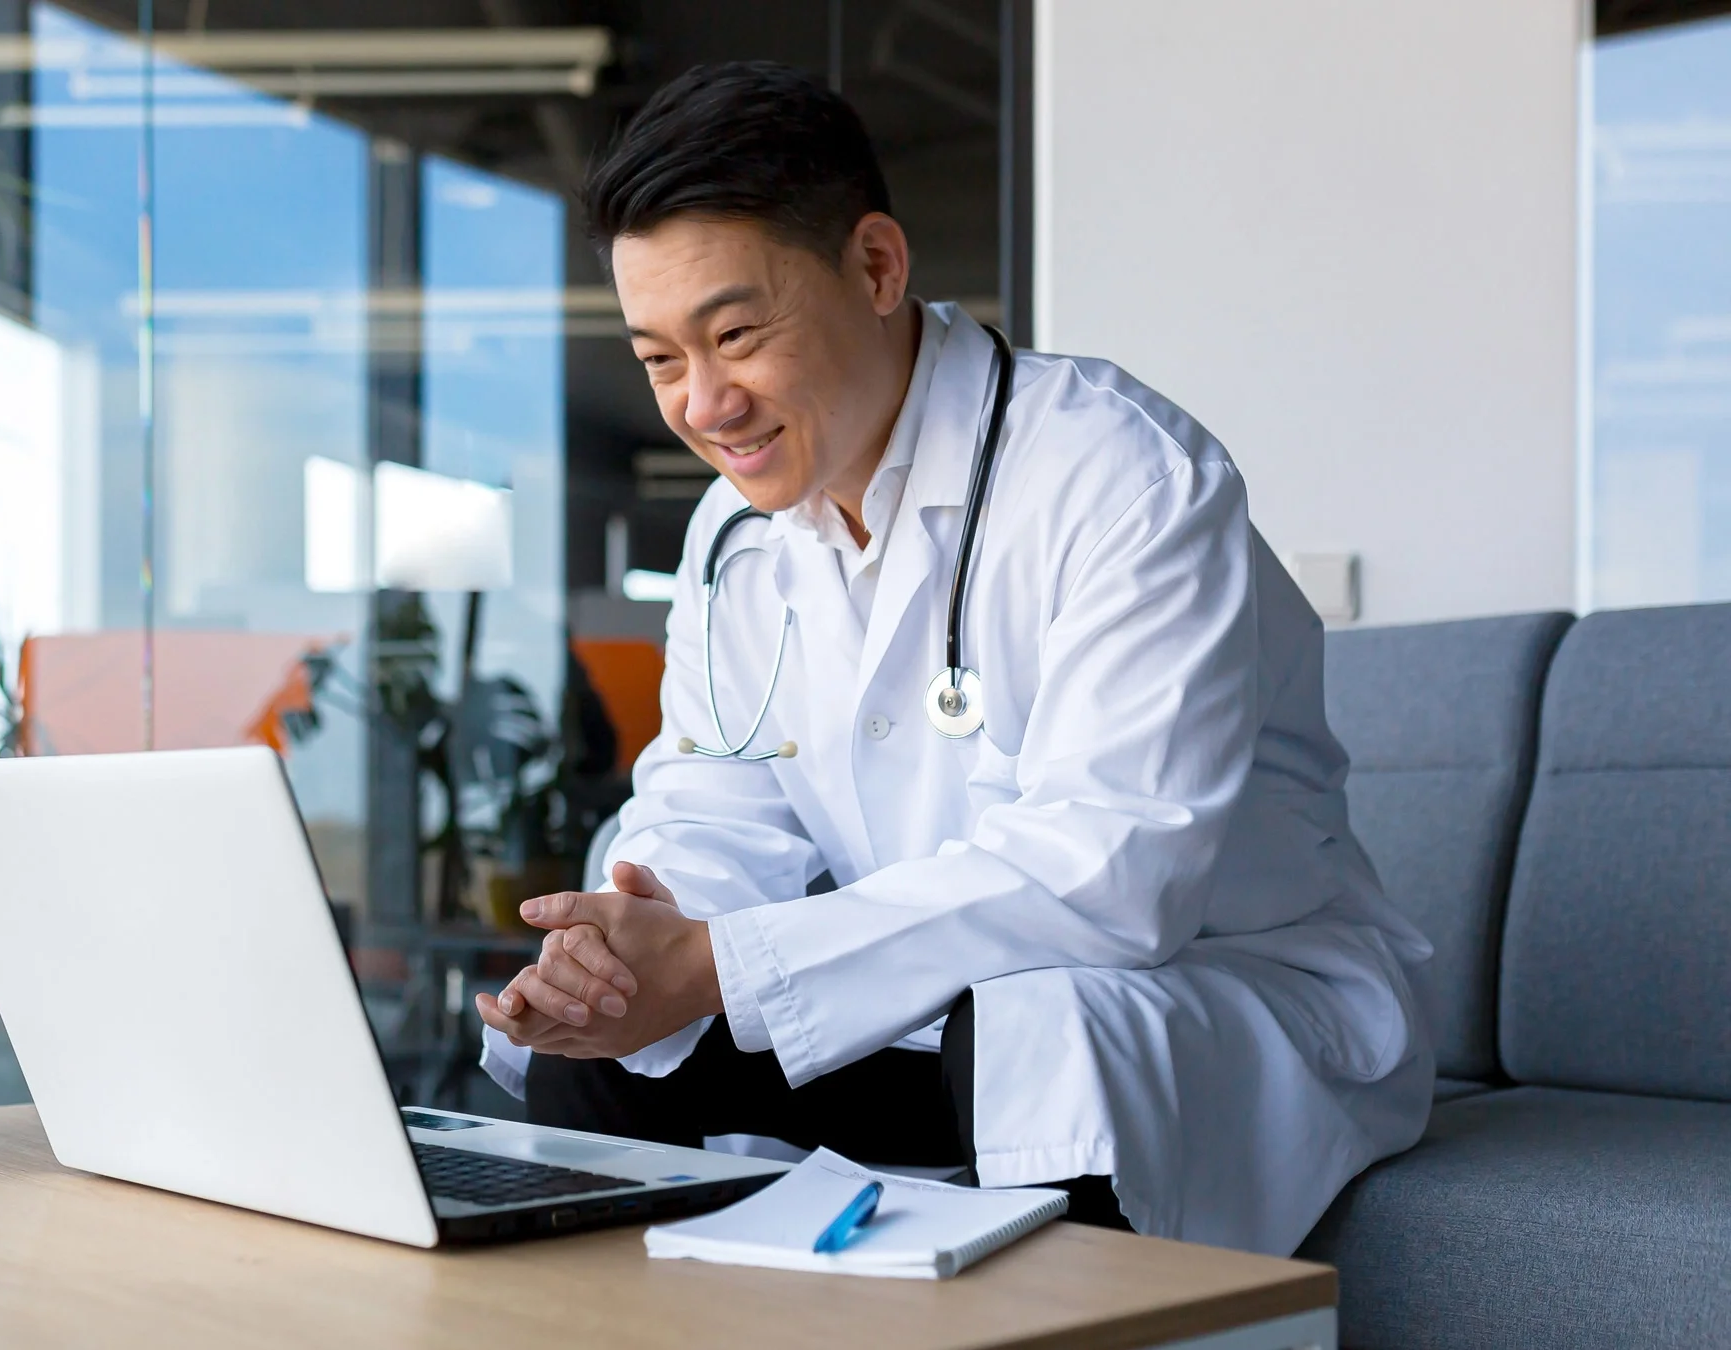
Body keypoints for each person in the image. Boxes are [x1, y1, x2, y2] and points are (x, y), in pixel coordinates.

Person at [473, 61, 1433, 1256]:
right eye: (661, 358)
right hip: (924, 1004)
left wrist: (725, 964)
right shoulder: (733, 537)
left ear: (877, 267)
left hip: (1215, 989)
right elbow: (712, 808)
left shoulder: (1120, 479)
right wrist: (630, 944)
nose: (704, 404)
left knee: (1044, 1039)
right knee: (611, 1060)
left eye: (735, 334)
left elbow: (1112, 871)